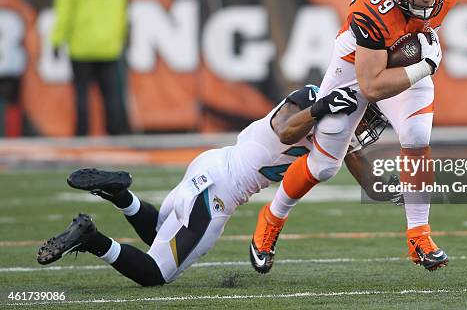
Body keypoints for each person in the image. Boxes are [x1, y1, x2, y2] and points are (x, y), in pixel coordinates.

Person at [250, 0, 467, 273]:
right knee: (324, 166)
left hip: (404, 62)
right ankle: (271, 218)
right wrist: (425, 66)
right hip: (355, 69)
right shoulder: (372, 10)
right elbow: (370, 85)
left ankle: (419, 235)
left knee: (418, 137)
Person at [36, 85, 392, 285]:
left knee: (161, 230)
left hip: (211, 164)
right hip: (220, 190)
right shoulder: (314, 99)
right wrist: (321, 109)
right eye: (366, 117)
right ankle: (92, 238)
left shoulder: (335, 134)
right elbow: (285, 130)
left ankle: (120, 195)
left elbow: (374, 185)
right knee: (155, 273)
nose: (364, 127)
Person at [51, 0, 128, 136]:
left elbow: (64, 15)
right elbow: (122, 14)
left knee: (82, 95)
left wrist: (57, 41)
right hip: (109, 47)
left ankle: (82, 135)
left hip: (82, 48)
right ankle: (116, 134)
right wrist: (122, 37)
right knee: (111, 95)